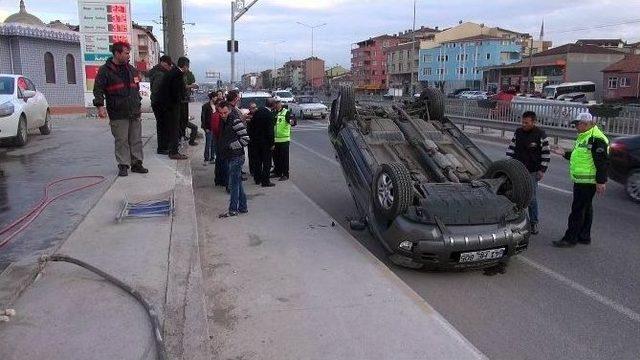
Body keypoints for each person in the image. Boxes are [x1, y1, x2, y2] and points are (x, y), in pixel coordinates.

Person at [551, 112, 609, 248]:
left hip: (587, 182)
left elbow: (602, 162)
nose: (576, 127)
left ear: (585, 124)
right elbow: (581, 156)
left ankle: (570, 238)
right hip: (583, 180)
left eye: (577, 124)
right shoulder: (585, 136)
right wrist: (565, 153)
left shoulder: (596, 138)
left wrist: (601, 181)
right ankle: (584, 236)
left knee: (577, 210)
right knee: (586, 208)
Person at [93, 41, 148, 177]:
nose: (128, 56)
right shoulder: (105, 71)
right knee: (121, 140)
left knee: (136, 139)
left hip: (134, 110)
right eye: (126, 53)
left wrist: (138, 106)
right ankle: (123, 165)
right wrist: (100, 106)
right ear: (117, 53)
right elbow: (98, 89)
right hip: (118, 111)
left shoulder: (132, 70)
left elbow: (136, 90)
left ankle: (137, 163)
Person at [506, 111, 550, 235]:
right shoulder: (518, 132)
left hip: (532, 171)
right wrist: (509, 164)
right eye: (522, 122)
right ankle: (515, 222)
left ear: (533, 122)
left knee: (531, 198)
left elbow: (546, 153)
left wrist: (542, 170)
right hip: (517, 170)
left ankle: (533, 222)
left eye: (527, 122)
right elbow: (511, 149)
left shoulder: (540, 134)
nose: (524, 124)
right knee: (515, 196)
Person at [218, 100, 250, 218]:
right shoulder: (224, 121)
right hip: (231, 156)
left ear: (229, 110)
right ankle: (243, 207)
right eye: (221, 113)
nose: (223, 115)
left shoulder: (235, 121)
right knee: (237, 183)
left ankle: (233, 210)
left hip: (236, 157)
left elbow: (245, 139)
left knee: (234, 184)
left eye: (225, 112)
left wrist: (231, 146)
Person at [157, 56, 190, 160]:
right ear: (185, 66)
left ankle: (169, 149)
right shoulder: (177, 74)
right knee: (175, 129)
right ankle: (174, 152)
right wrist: (181, 98)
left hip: (166, 105)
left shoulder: (172, 72)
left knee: (170, 128)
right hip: (172, 106)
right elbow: (176, 92)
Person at [148, 55, 173, 155]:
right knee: (163, 126)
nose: (169, 68)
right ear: (163, 63)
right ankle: (163, 148)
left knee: (162, 125)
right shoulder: (160, 74)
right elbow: (156, 90)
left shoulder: (156, 71)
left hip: (157, 102)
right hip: (160, 103)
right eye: (168, 65)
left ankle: (163, 147)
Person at [251, 98, 276, 187]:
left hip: (256, 141)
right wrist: (272, 143)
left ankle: (257, 179)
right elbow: (270, 131)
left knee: (258, 161)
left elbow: (252, 124)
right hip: (265, 142)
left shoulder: (258, 111)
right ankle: (265, 181)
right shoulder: (269, 114)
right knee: (267, 162)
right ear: (272, 105)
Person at [272, 101, 296, 181]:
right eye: (274, 103)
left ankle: (285, 174)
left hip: (284, 140)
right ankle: (277, 172)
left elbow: (293, 122)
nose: (275, 105)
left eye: (276, 103)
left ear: (280, 104)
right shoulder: (274, 112)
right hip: (275, 140)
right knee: (276, 157)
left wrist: (291, 121)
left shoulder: (286, 112)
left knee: (284, 158)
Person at [212, 100, 228, 187]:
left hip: (219, 140)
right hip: (220, 140)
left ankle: (219, 179)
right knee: (223, 161)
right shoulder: (217, 116)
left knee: (220, 161)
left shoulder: (216, 115)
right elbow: (216, 129)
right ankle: (223, 180)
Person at [181, 69, 199, 146]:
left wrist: (188, 117)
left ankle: (186, 137)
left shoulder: (185, 101)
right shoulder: (182, 100)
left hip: (183, 120)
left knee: (193, 127)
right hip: (181, 121)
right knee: (194, 127)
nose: (190, 93)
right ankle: (189, 140)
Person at [201, 92, 217, 165]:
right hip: (209, 128)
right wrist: (205, 128)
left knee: (214, 143)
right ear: (212, 98)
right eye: (215, 97)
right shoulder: (206, 106)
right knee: (208, 143)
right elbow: (203, 117)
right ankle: (206, 159)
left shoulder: (216, 106)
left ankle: (212, 158)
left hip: (215, 127)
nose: (216, 98)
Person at [246, 102, 259, 178]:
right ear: (250, 109)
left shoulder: (258, 114)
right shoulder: (248, 115)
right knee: (251, 155)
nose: (254, 109)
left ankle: (256, 169)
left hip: (257, 138)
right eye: (252, 108)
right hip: (250, 138)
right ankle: (252, 170)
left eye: (255, 107)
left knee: (257, 155)